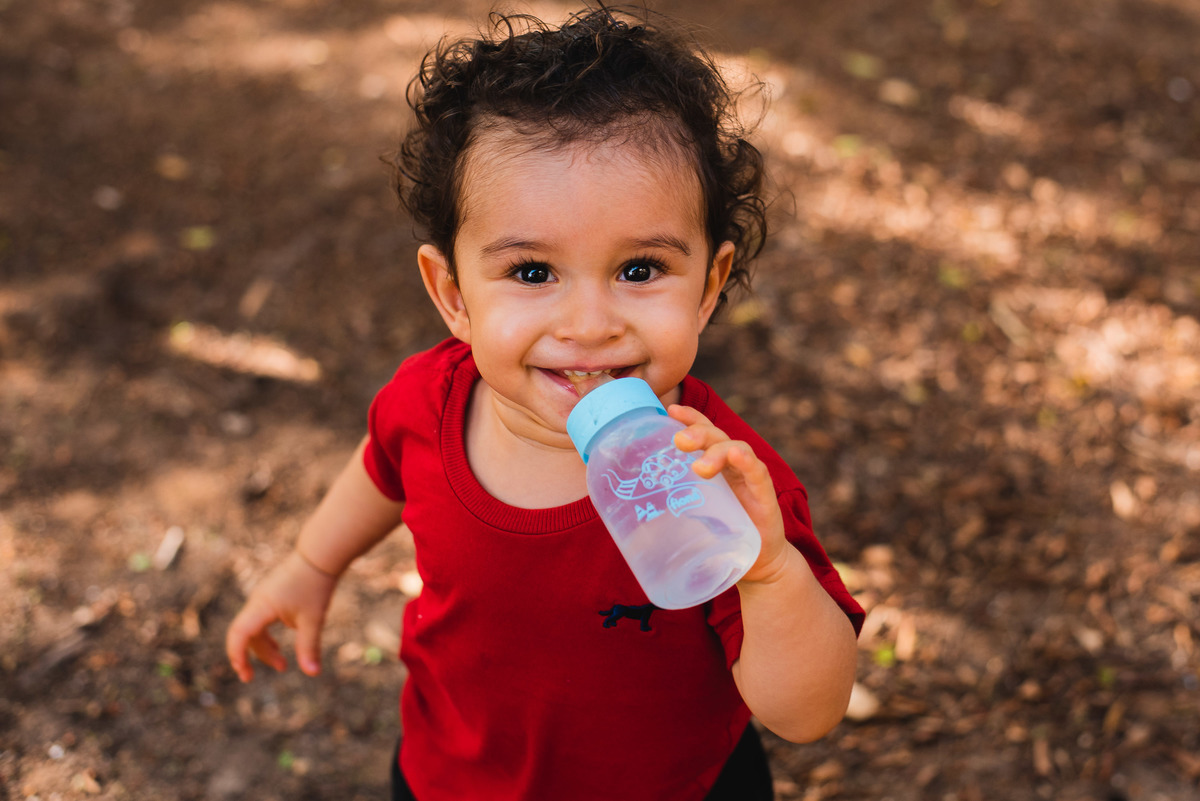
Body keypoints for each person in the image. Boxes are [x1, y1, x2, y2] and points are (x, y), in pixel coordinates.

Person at [225, 6, 864, 800]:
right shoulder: (431, 399)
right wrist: (311, 562)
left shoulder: (720, 479)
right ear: (453, 295)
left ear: (708, 285)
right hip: (451, 774)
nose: (589, 325)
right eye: (533, 273)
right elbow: (383, 465)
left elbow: (808, 713)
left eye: (639, 270)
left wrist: (769, 571)